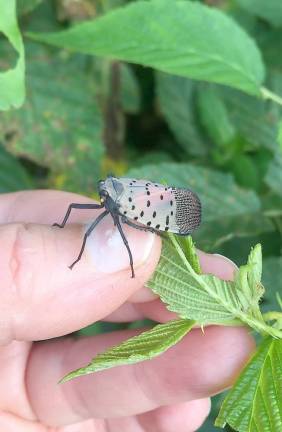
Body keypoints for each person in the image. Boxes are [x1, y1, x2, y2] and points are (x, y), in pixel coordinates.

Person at [0, 190, 255, 432]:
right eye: (103, 195)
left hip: (135, 210)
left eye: (105, 195)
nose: (101, 197)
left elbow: (124, 232)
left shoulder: (119, 203)